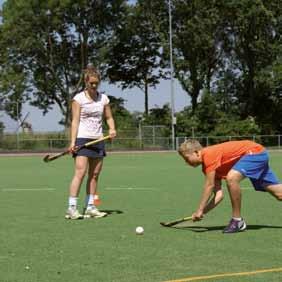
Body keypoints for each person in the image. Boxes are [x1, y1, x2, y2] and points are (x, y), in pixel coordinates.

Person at [178, 139, 282, 233]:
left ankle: (237, 221)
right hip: (257, 155)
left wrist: (199, 209)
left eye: (187, 158)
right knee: (279, 194)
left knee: (231, 178)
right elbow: (219, 196)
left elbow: (209, 186)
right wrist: (202, 212)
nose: (187, 163)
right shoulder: (207, 168)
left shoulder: (208, 154)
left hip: (255, 152)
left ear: (196, 152)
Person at [65, 65, 117, 220]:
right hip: (82, 139)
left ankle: (90, 207)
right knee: (80, 173)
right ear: (86, 82)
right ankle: (72, 208)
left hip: (98, 139)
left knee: (94, 175)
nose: (94, 86)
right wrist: (72, 142)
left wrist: (112, 129)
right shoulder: (78, 99)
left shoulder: (103, 99)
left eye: (96, 83)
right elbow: (74, 121)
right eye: (91, 83)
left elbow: (108, 117)